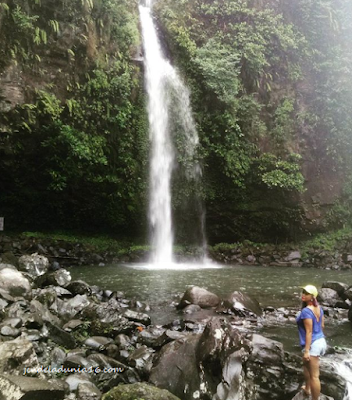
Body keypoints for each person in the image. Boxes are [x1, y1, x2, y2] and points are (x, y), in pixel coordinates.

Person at [296, 285, 327, 400]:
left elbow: (309, 332)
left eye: (306, 293)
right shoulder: (319, 308)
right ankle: (307, 388)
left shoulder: (306, 311)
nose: (303, 294)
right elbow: (322, 325)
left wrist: (307, 351)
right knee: (306, 366)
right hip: (321, 341)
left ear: (312, 296)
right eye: (303, 292)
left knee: (315, 376)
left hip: (313, 344)